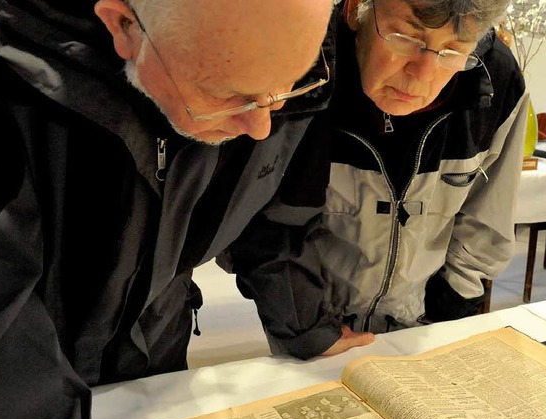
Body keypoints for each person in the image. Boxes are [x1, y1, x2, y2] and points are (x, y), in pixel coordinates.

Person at [0, 0, 334, 419]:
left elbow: (271, 215)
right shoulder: (4, 85)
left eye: (293, 84)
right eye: (231, 96)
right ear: (124, 25)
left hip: (156, 366)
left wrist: (309, 327)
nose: (262, 126)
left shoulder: (261, 57)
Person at [219, 0, 529, 359]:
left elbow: (486, 223)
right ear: (356, 10)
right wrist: (308, 328)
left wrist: (446, 315)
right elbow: (264, 225)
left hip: (428, 328)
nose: (422, 75)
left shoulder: (495, 81)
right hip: (312, 322)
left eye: (452, 52)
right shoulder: (301, 65)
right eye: (406, 37)